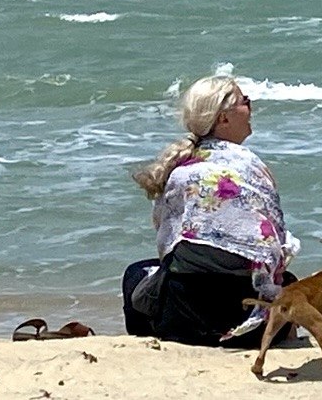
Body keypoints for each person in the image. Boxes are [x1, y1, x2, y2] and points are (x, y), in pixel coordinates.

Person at [123, 74, 299, 347]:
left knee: (136, 273)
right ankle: (282, 335)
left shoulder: (181, 171)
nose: (251, 108)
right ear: (223, 118)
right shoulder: (252, 167)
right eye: (245, 102)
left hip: (181, 322)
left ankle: (147, 341)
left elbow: (168, 243)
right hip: (248, 326)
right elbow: (276, 246)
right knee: (288, 282)